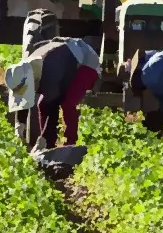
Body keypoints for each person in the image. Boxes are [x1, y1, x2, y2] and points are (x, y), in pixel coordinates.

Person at [10, 33, 101, 175]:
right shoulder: (23, 71)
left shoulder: (50, 70)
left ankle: (70, 145)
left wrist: (43, 139)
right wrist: (19, 128)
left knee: (67, 103)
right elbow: (23, 102)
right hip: (66, 62)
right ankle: (49, 145)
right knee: (42, 104)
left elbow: (53, 105)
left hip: (86, 62)